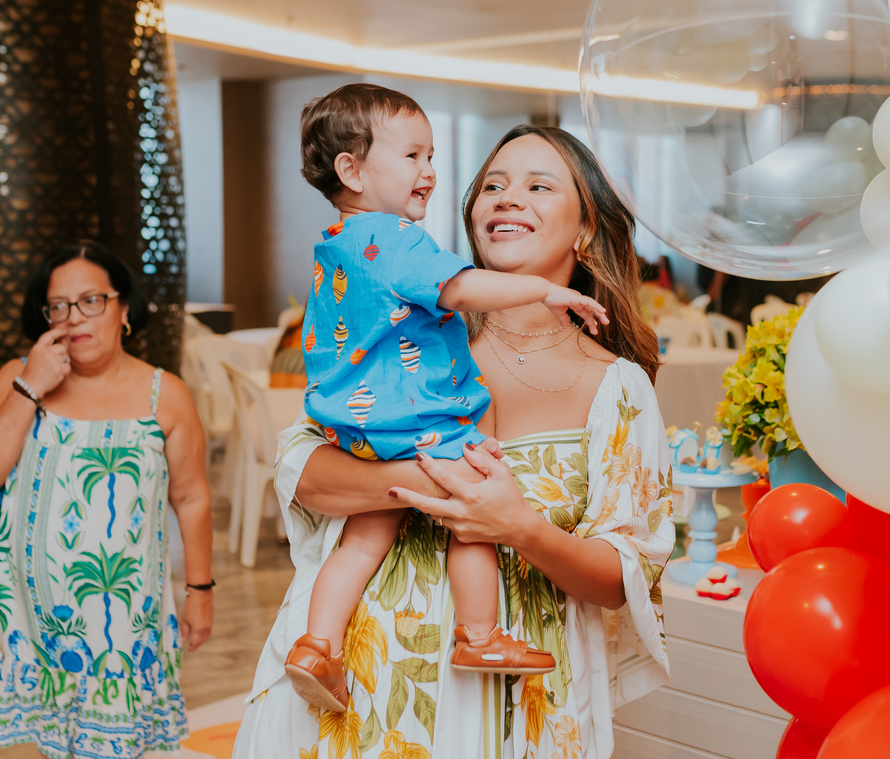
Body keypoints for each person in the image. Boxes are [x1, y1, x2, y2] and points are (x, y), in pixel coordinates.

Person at [233, 124, 674, 759]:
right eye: (493, 185)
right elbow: (303, 471)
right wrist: (430, 482)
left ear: (585, 229)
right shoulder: (404, 339)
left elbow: (622, 577)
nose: (507, 197)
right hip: (361, 690)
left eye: (539, 186)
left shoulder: (618, 386)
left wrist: (519, 527)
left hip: (518, 710)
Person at [283, 84, 609, 713]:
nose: (430, 171)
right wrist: (543, 290)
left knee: (363, 540)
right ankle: (480, 635)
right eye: (413, 156)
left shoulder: (336, 242)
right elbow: (458, 289)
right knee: (475, 502)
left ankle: (317, 645)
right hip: (415, 420)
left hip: (355, 425)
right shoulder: (397, 238)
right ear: (352, 170)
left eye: (431, 156)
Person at [0, 242, 214, 758]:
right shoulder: (17, 377)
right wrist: (30, 386)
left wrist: (200, 590)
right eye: (58, 306)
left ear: (123, 307)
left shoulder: (166, 395)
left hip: (120, 626)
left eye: (91, 301)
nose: (74, 317)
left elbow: (192, 497)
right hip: (27, 621)